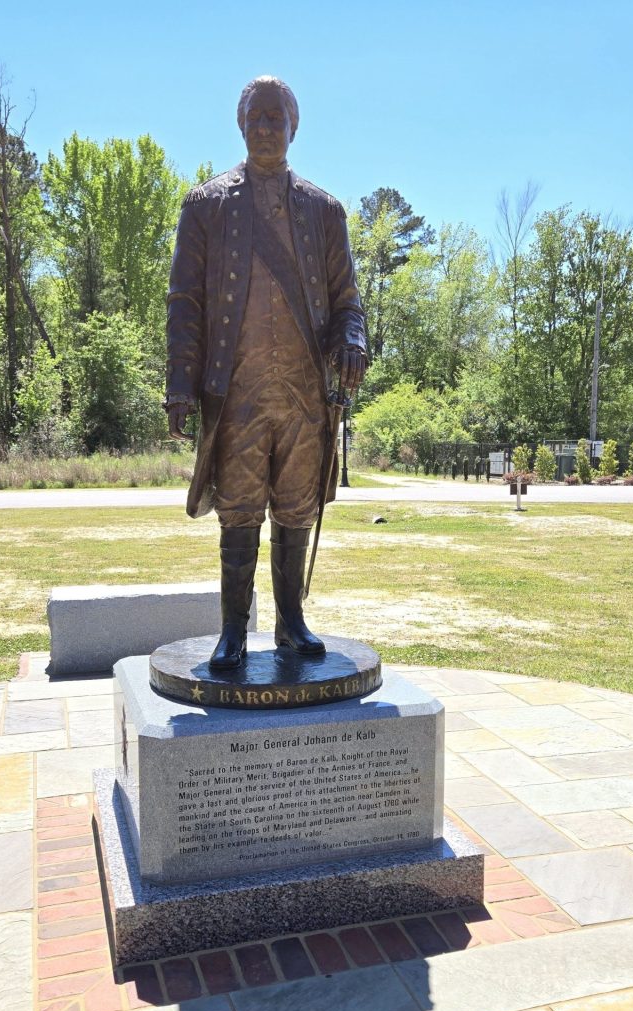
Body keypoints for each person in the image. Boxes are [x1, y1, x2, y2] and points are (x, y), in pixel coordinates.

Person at [164, 75, 367, 669]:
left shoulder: (324, 212)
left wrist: (351, 339)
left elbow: (347, 302)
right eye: (257, 117)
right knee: (241, 510)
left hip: (304, 396)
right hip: (238, 392)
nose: (266, 127)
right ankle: (233, 630)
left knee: (297, 506)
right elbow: (186, 302)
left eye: (277, 118)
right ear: (241, 124)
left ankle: (291, 623)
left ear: (294, 127)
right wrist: (180, 384)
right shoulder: (205, 206)